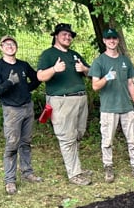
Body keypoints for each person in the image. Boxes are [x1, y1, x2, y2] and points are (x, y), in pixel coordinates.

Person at [36, 23, 92, 185]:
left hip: (80, 99)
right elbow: (40, 76)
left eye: (69, 35)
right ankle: (74, 174)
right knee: (67, 137)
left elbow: (90, 73)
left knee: (78, 133)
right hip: (61, 100)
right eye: (64, 35)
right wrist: (54, 69)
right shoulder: (48, 54)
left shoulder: (74, 54)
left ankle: (77, 168)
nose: (67, 37)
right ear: (56, 36)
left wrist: (84, 69)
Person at [90, 28, 134, 183]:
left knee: (133, 139)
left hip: (126, 107)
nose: (112, 41)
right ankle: (108, 167)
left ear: (118, 40)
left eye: (114, 38)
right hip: (108, 108)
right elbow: (95, 86)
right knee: (107, 141)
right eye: (108, 38)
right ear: (104, 41)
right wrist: (106, 78)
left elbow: (130, 84)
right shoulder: (99, 61)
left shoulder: (125, 61)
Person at [0, 35, 41, 195]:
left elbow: (37, 79)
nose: (10, 46)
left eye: (12, 44)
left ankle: (27, 172)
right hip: (11, 110)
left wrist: (26, 88)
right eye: (6, 44)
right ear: (1, 47)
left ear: (16, 47)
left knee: (26, 142)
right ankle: (10, 180)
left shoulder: (23, 65)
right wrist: (10, 82)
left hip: (27, 107)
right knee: (12, 144)